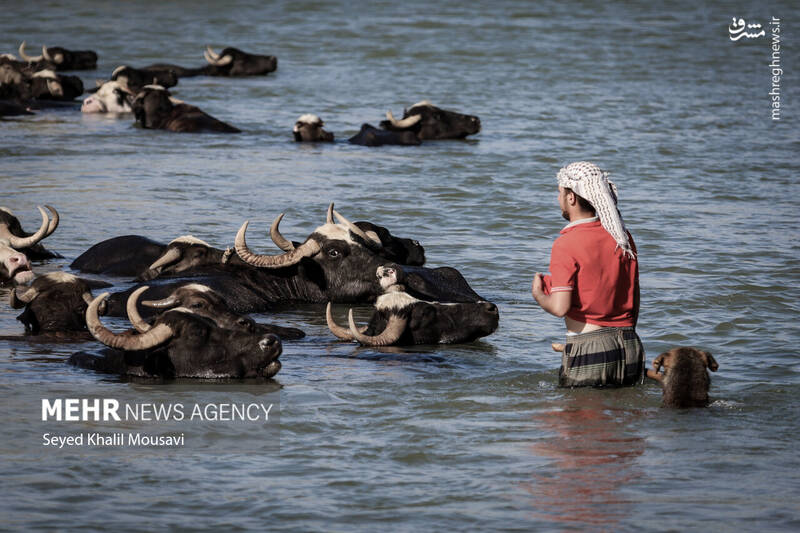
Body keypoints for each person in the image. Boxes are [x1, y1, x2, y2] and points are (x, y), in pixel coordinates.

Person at [531, 161, 644, 387]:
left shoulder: (567, 243)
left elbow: (560, 307)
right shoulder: (622, 236)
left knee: (575, 419)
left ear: (571, 197)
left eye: (559, 193)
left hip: (590, 346)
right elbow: (635, 299)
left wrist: (540, 295)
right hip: (630, 345)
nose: (558, 199)